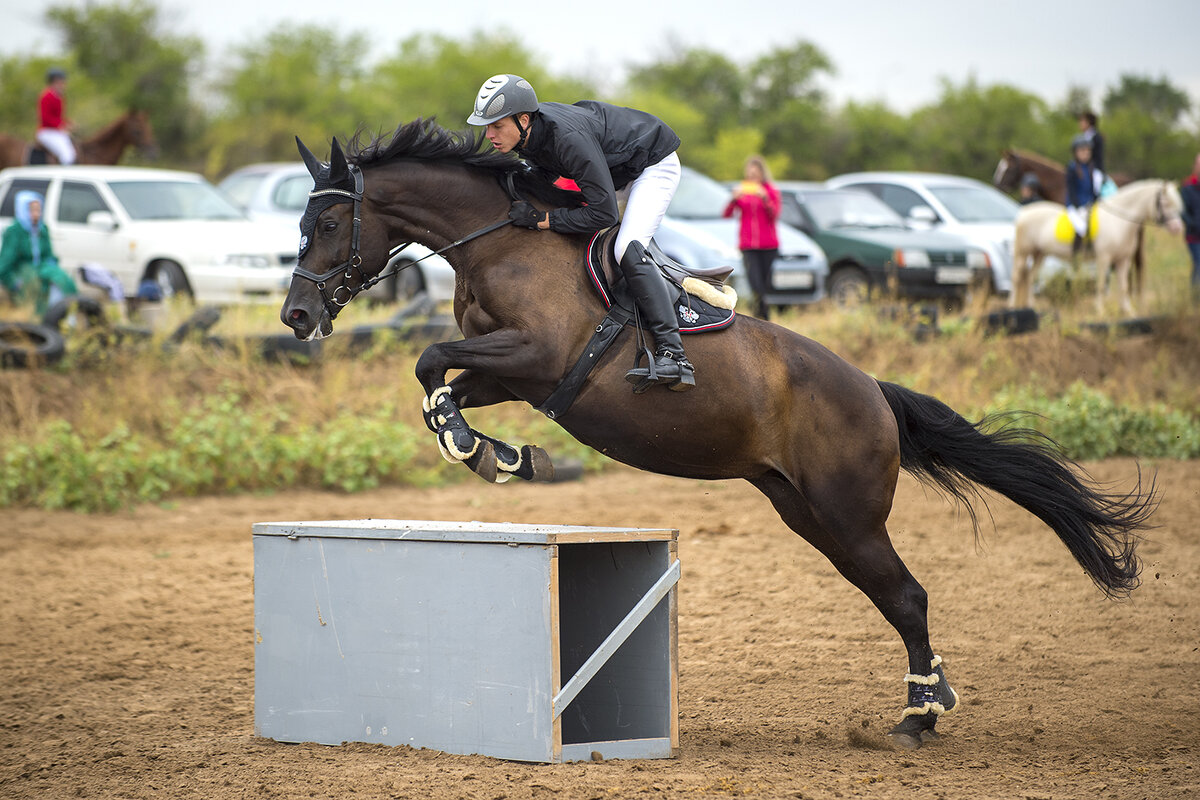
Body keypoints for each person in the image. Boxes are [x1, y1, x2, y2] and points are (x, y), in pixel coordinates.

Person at [466, 73, 694, 392]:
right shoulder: (529, 137)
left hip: (652, 166)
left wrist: (543, 220)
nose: (489, 134)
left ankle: (675, 354)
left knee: (625, 248)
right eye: (486, 126)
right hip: (614, 171)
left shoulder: (566, 138)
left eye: (496, 126)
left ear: (522, 119)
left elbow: (604, 213)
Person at [0, 190, 77, 315]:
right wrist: (13, 283)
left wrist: (51, 268)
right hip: (23, 271)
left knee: (63, 281)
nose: (36, 214)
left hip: (42, 268)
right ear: (22, 210)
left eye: (38, 210)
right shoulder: (14, 231)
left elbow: (49, 255)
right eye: (32, 211)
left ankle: (62, 315)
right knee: (34, 288)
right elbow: (4, 264)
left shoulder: (42, 229)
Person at [723, 156, 780, 319]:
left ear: (762, 174)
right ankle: (764, 318)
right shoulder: (744, 191)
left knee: (765, 284)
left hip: (768, 245)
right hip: (748, 246)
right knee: (755, 284)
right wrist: (733, 199)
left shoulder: (770, 190)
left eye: (756, 173)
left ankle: (761, 318)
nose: (753, 176)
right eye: (750, 174)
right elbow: (726, 214)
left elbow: (774, 215)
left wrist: (765, 198)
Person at [1064, 135, 1105, 252]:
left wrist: (1097, 200)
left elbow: (1093, 190)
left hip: (1089, 204)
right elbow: (1071, 189)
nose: (1085, 154)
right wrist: (1077, 205)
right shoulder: (1072, 168)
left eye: (1088, 151)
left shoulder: (1092, 168)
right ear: (1076, 152)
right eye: (1082, 151)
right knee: (1081, 227)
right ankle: (1076, 254)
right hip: (1075, 205)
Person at [36, 67, 76, 165]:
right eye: (61, 82)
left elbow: (58, 117)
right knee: (67, 155)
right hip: (47, 132)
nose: (63, 85)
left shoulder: (59, 97)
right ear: (54, 82)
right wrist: (62, 125)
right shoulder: (46, 96)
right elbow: (45, 118)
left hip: (56, 132)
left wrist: (68, 123)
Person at [1182, 152, 1200, 298]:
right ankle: (1195, 298)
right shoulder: (1187, 187)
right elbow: (1182, 211)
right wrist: (1193, 224)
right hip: (1194, 236)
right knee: (1199, 263)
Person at [1077, 110, 1105, 175]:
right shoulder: (1082, 137)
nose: (1080, 124)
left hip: (1095, 170)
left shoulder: (1096, 137)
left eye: (1082, 121)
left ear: (1088, 122)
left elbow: (1097, 158)